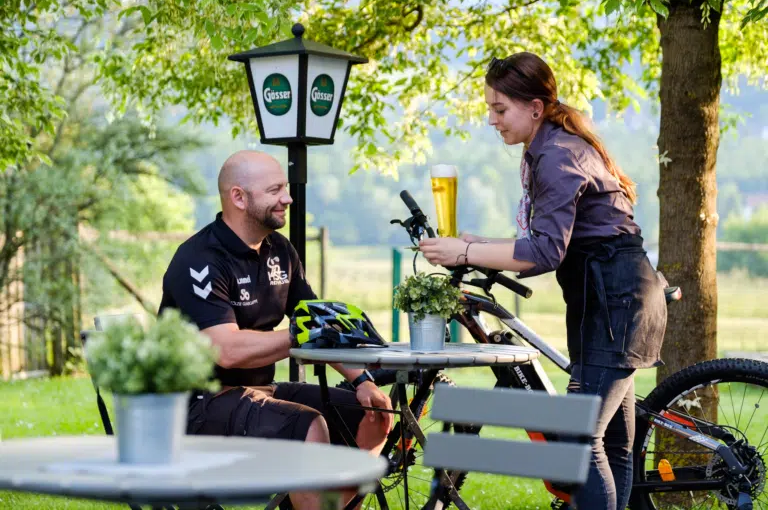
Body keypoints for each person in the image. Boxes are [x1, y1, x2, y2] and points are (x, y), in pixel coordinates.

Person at [418, 52, 668, 510]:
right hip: (610, 301)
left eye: (499, 109)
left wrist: (466, 252)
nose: (492, 120)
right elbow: (549, 240)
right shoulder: (552, 145)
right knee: (612, 444)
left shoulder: (555, 154)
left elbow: (544, 253)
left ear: (535, 107)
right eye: (490, 109)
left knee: (578, 439)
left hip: (617, 304)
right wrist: (477, 242)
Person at [158, 150, 393, 510]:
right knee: (308, 426)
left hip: (260, 390)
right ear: (239, 197)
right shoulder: (199, 259)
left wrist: (362, 381)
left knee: (375, 415)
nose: (288, 197)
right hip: (195, 404)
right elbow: (227, 350)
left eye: (285, 187)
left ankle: (314, 503)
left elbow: (316, 321)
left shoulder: (280, 250)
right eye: (275, 190)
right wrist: (299, 336)